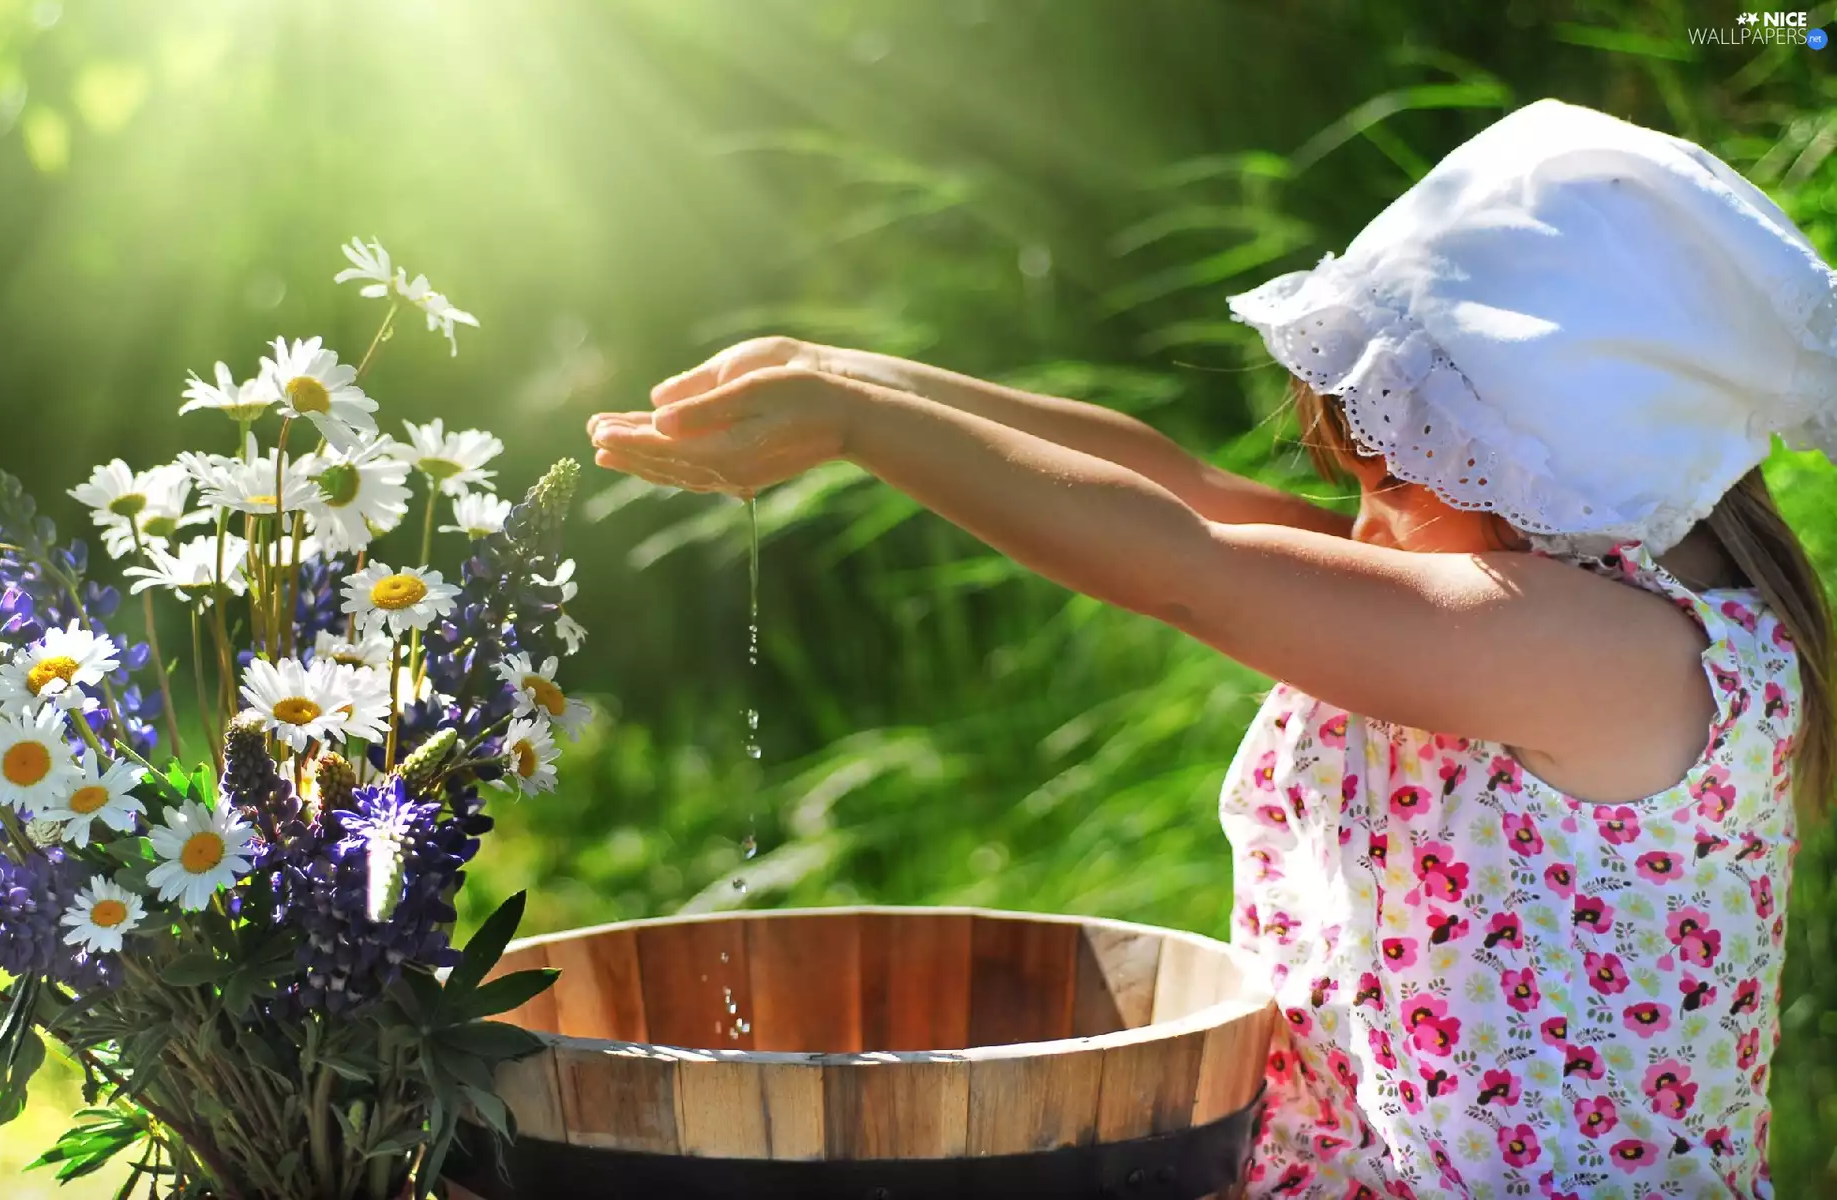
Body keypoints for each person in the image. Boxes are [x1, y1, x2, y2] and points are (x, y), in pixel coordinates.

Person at [587, 99, 1833, 1198]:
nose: (1362, 522)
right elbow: (1175, 481)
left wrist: (864, 426)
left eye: (1396, 472)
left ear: (1534, 454)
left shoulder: (1604, 652)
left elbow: (1188, 564)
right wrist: (847, 373)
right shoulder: (1525, 592)